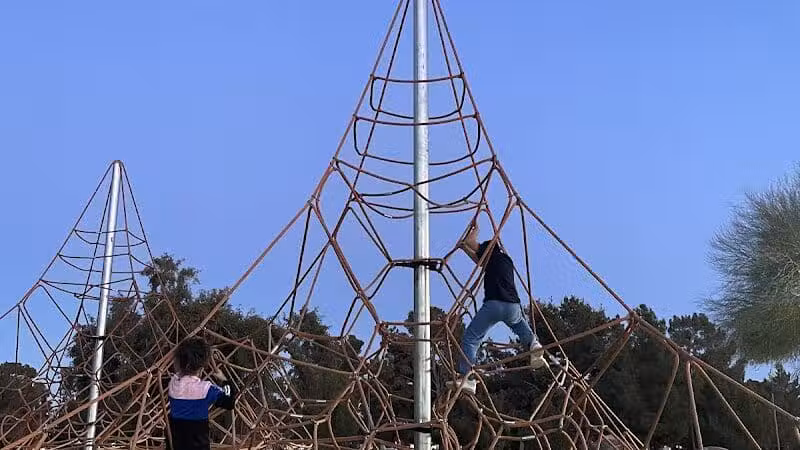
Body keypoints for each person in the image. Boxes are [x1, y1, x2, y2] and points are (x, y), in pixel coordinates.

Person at [447, 221, 546, 394]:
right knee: (519, 325)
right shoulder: (505, 260)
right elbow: (480, 261)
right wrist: (464, 248)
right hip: (513, 306)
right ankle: (534, 345)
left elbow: (472, 245)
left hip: (493, 305)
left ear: (487, 251)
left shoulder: (490, 256)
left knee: (471, 338)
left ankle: (468, 378)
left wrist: (474, 231)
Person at [166, 336, 236, 450]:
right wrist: (224, 380)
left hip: (175, 445)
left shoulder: (173, 384)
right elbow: (229, 402)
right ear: (202, 366)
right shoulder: (206, 390)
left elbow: (179, 372)